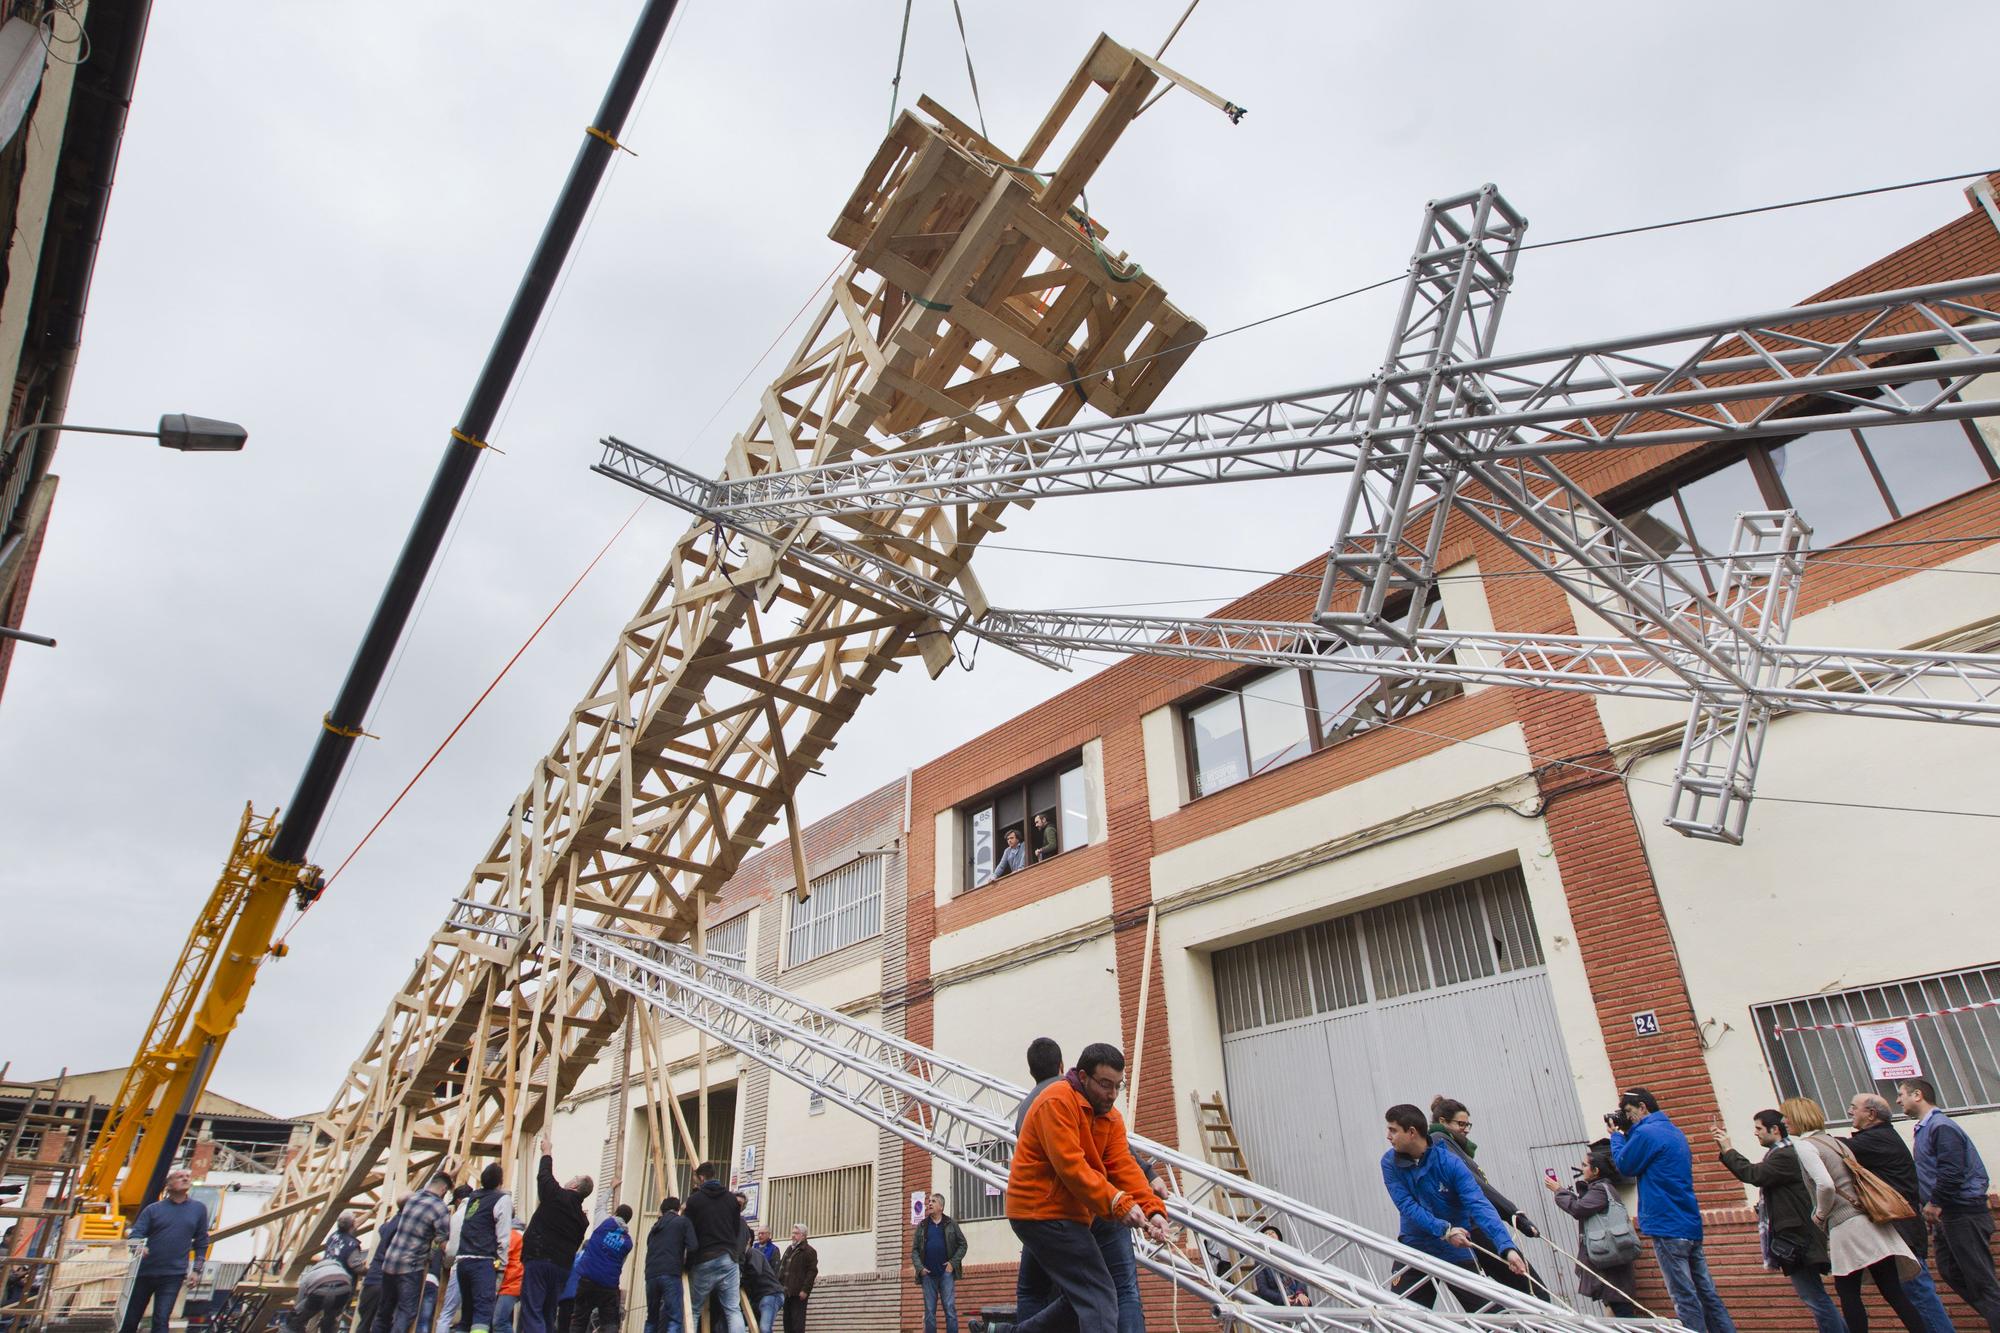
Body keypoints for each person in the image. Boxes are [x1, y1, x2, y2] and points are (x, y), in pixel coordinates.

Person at [1007, 1041, 1169, 1333]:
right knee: (1100, 1294)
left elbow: (1123, 1164)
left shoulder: (1110, 1117)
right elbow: (1072, 1168)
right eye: (1106, 1084)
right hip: (1040, 1213)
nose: (1113, 1094)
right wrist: (1119, 1202)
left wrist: (1153, 1209)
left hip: (1073, 1214)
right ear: (1083, 1076)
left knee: (1082, 1296)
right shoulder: (1055, 1102)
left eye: (1119, 1086)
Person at [1787, 1096, 1923, 1331]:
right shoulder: (1836, 1143)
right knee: (1893, 1292)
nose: (1785, 1121)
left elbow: (1825, 1185)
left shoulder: (1805, 1145)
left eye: (1787, 1116)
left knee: (1848, 1292)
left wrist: (1819, 1214)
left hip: (1845, 1225)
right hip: (1870, 1222)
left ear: (1798, 1118)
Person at [1608, 1087, 1736, 1332]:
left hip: (1666, 1225)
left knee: (1684, 1296)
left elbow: (1625, 1165)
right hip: (1689, 1223)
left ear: (1643, 1108)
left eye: (1628, 1111)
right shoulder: (1673, 1131)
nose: (1627, 1117)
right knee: (1707, 1292)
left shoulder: (1646, 1133)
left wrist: (1616, 1136)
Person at [1380, 1103, 1527, 1310]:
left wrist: (1507, 1248)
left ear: (1412, 1132)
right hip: (1415, 1246)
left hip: (1455, 1249)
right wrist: (1444, 1230)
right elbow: (1406, 1205)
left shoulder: (1450, 1163)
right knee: (1402, 1316)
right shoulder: (1389, 1163)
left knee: (1492, 1317)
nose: (1388, 1136)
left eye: (1393, 1130)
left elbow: (1479, 1204)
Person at [1713, 1109, 1838, 1332]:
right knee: (1815, 1296)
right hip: (1798, 1236)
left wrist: (1728, 1149)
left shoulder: (1786, 1155)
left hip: (1798, 1239)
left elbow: (1754, 1175)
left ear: (1775, 1130)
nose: (1756, 1133)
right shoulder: (1781, 1154)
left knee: (1814, 1298)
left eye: (1759, 1129)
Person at [1846, 1092, 1955, 1333]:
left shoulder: (1877, 1140)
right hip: (1902, 1230)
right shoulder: (1878, 1137)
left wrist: (1809, 1137)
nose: (1850, 1112)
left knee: (1918, 1293)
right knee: (1915, 1293)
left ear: (1871, 1114)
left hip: (1903, 1231)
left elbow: (1839, 1148)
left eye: (1854, 1108)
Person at [1901, 1077, 2000, 1331]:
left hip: (1961, 1212)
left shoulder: (1940, 1126)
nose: (1898, 1100)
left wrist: (1935, 1202)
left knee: (1981, 1282)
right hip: (1948, 1215)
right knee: (1950, 1271)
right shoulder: (1925, 1128)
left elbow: (1952, 1170)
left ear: (1918, 1095)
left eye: (1902, 1094)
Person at [1428, 1097, 1548, 1298]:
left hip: (1467, 1226)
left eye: (1468, 1125)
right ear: (1443, 1121)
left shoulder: (1448, 1144)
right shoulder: (1441, 1143)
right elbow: (1478, 1187)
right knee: (1535, 1293)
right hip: (1472, 1226)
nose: (1466, 1129)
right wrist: (1513, 1214)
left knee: (1498, 1300)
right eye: (1461, 1124)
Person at [1545, 1144, 1640, 1318]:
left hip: (1610, 1258)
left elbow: (1578, 1208)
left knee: (1621, 1310)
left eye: (1584, 1165)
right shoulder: (1602, 1189)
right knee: (1614, 1307)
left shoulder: (1600, 1190)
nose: (1581, 1168)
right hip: (1610, 1256)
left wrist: (1558, 1191)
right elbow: (1583, 1205)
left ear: (1595, 1170)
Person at [119, 1167, 212, 1333]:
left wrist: (197, 1270)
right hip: (145, 1272)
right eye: (179, 1177)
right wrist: (138, 1246)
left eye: (187, 1176)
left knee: (161, 1319)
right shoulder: (153, 1210)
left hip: (173, 1274)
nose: (185, 1179)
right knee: (131, 1319)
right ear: (168, 1184)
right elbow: (135, 1234)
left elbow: (202, 1241)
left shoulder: (198, 1209)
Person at [520, 1135, 593, 1333]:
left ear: (574, 1186)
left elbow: (544, 1176)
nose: (571, 1178)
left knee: (533, 1310)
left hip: (539, 1258)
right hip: (561, 1267)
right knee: (548, 1313)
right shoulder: (582, 1219)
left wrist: (547, 1151)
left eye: (575, 1177)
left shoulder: (557, 1196)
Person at [374, 1174, 453, 1333]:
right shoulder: (439, 1208)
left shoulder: (413, 1198)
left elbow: (435, 1179)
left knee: (384, 1312)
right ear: (444, 1190)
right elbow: (442, 1239)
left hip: (390, 1262)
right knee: (406, 1312)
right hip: (410, 1267)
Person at [683, 1161, 747, 1333]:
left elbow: (687, 1232)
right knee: (732, 1309)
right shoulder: (731, 1199)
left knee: (694, 1309)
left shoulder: (694, 1201)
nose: (695, 1182)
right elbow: (735, 1229)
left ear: (702, 1177)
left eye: (696, 1179)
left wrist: (688, 1262)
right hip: (728, 1258)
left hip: (704, 1259)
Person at [455, 1165, 513, 1333]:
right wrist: (502, 1267)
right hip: (482, 1262)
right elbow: (503, 1238)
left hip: (463, 1261)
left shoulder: (473, 1198)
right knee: (482, 1314)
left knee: (466, 1314)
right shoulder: (501, 1199)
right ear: (500, 1182)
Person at [567, 1204, 633, 1333]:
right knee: (609, 1322)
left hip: (587, 1279)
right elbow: (621, 1262)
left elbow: (599, 1207)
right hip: (608, 1285)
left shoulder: (604, 1223)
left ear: (615, 1212)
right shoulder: (627, 1242)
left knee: (579, 1320)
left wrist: (610, 1188)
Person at [911, 1193, 966, 1333]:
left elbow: (963, 1245)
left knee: (950, 1309)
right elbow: (915, 1250)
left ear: (941, 1206)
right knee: (929, 1312)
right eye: (929, 1201)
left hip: (946, 1274)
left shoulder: (951, 1223)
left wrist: (952, 1264)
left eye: (933, 1201)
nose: (929, 1204)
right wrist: (920, 1268)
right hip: (928, 1275)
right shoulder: (922, 1225)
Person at [643, 1197, 692, 1333]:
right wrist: (686, 1265)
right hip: (670, 1272)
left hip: (651, 1274)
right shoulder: (682, 1222)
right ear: (677, 1209)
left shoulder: (655, 1227)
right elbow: (693, 1246)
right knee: (675, 1318)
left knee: (651, 1319)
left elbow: (649, 1245)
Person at [291, 1249, 366, 1333]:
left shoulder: (312, 1273)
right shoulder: (340, 1270)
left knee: (292, 1321)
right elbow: (348, 1290)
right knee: (329, 1323)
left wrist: (297, 1314)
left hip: (319, 1292)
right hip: (342, 1291)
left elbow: (301, 1297)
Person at [356, 1203, 403, 1333]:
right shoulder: (406, 1226)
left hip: (372, 1280)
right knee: (384, 1323)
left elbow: (382, 1228)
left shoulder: (388, 1226)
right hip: (387, 1281)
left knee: (364, 1323)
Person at [1250, 1225, 1309, 1307]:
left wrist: (1300, 1293)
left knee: (1302, 1302)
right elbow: (1263, 1289)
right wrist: (1282, 1298)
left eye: (1272, 1233)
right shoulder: (1261, 1261)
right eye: (1266, 1234)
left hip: (1296, 1295)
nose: (1270, 1235)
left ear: (1278, 1238)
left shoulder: (1289, 1256)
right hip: (1278, 1300)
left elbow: (1301, 1278)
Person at [741, 1225, 782, 1333]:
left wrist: (740, 1281)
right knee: (754, 1327)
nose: (760, 1236)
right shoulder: (749, 1253)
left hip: (770, 1294)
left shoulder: (752, 1252)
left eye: (763, 1233)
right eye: (759, 1233)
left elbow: (755, 1271)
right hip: (757, 1297)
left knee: (764, 1328)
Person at [779, 1224, 816, 1333]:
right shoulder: (789, 1249)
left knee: (797, 1325)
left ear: (803, 1236)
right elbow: (782, 1268)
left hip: (798, 1294)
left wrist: (805, 1290)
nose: (793, 1236)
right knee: (787, 1324)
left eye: (796, 1233)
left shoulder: (809, 1251)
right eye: (792, 1233)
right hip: (787, 1293)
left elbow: (812, 1272)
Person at [494, 1221, 526, 1333]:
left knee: (499, 1322)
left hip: (510, 1284)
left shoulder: (511, 1236)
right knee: (506, 1320)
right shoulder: (521, 1236)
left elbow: (500, 1258)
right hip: (517, 1282)